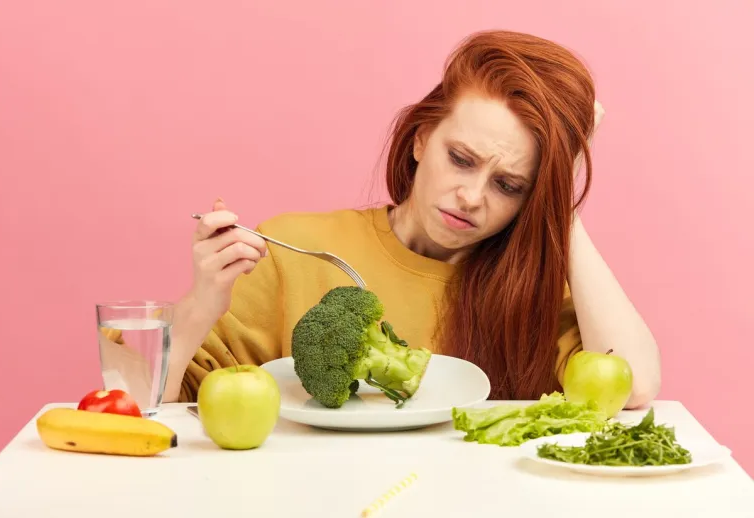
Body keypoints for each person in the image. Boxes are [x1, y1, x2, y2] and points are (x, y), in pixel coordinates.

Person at [161, 30, 661, 407]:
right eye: (461, 158)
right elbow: (145, 401)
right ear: (421, 138)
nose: (470, 196)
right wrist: (202, 302)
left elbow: (632, 386)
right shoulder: (291, 248)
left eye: (509, 185)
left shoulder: (534, 287)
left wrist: (559, 195)